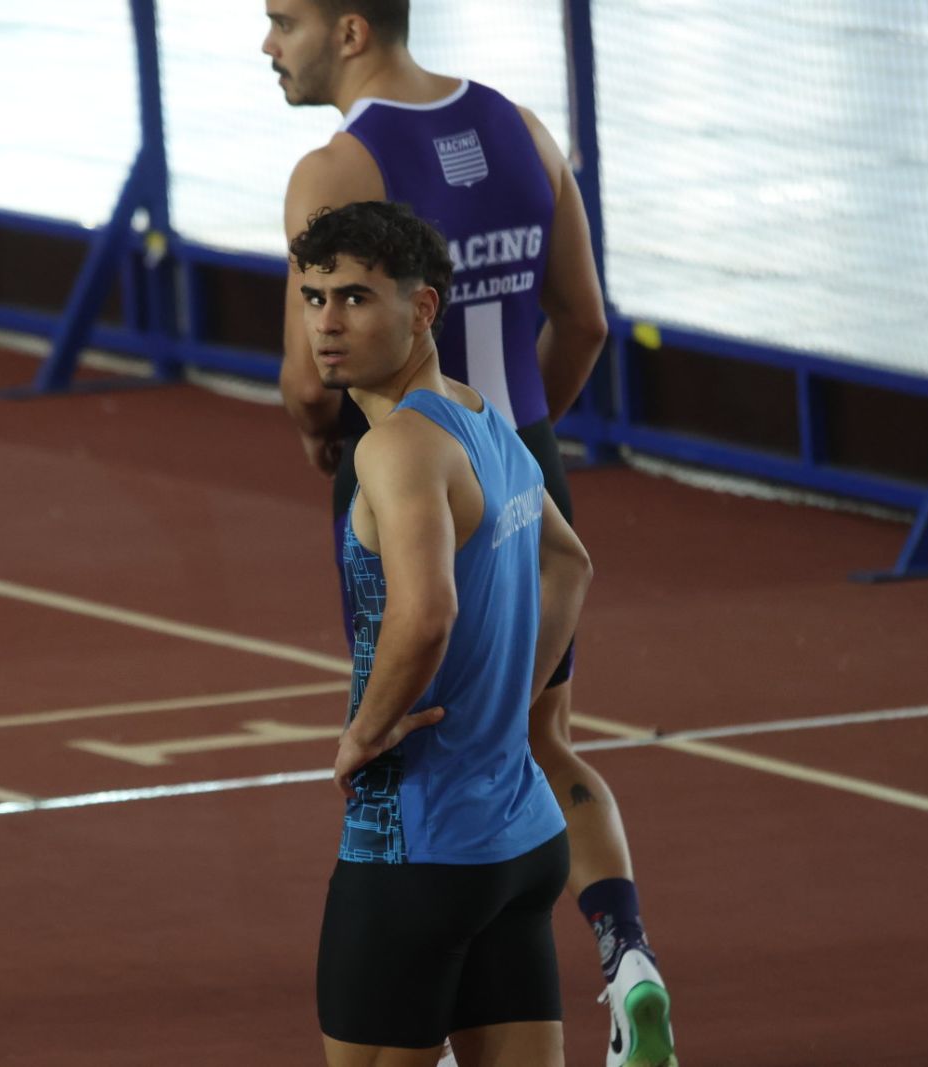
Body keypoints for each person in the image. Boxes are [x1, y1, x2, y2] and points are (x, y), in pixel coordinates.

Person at [263, 4, 678, 1067]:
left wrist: (333, 445)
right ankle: (625, 954)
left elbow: (309, 381)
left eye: (281, 20)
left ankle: (418, 1002)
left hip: (409, 460)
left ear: (349, 28)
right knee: (536, 742)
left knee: (404, 741)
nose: (269, 45)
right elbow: (580, 319)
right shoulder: (522, 130)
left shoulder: (335, 166)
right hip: (516, 455)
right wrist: (520, 447)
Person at [297, 199, 587, 1067]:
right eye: (313, 298)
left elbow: (425, 614)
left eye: (354, 298)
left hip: (416, 849)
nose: (327, 324)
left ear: (422, 310)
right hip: (522, 839)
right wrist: (496, 708)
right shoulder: (487, 425)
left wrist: (365, 731)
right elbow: (569, 565)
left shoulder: (398, 450)